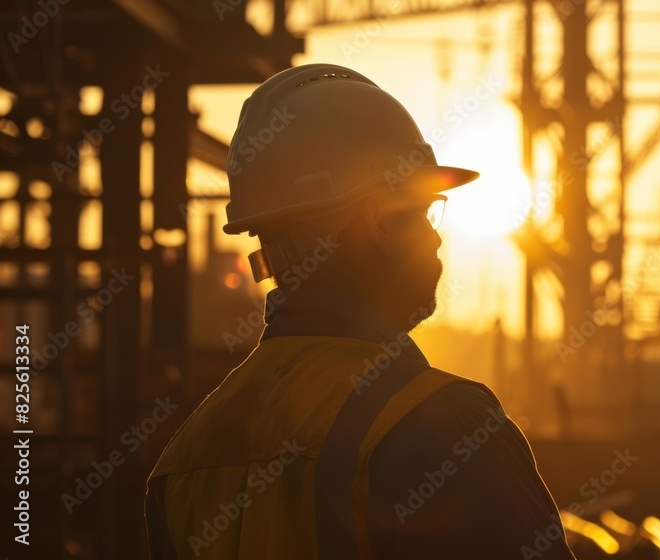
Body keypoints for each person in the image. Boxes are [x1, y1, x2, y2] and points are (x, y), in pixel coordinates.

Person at [144, 64, 576, 560]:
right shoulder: (446, 427)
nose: (434, 237)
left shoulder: (182, 463)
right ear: (378, 219)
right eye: (422, 209)